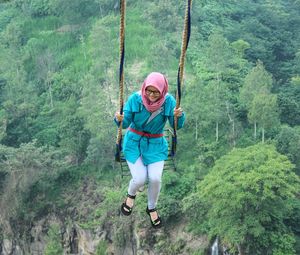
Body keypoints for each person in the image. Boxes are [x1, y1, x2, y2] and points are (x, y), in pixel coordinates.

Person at [114, 72, 185, 228]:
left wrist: (178, 116)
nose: (151, 95)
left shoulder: (169, 102)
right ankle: (130, 195)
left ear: (163, 91)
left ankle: (151, 207)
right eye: (149, 91)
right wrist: (119, 118)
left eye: (156, 92)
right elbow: (125, 123)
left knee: (155, 178)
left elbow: (176, 126)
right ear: (144, 88)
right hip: (134, 142)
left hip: (155, 144)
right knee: (139, 179)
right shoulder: (135, 99)